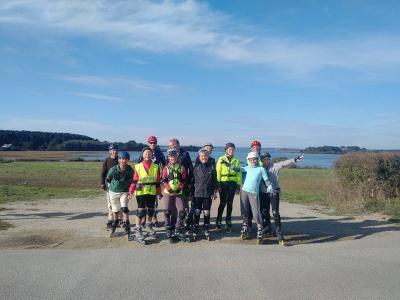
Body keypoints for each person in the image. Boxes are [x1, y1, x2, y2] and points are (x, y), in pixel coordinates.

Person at [260, 152, 304, 244]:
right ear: (261, 160)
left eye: (268, 159)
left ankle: (278, 232)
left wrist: (295, 160)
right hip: (263, 193)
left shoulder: (274, 166)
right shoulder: (259, 168)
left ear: (270, 159)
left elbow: (284, 163)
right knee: (264, 212)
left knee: (275, 212)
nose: (266, 160)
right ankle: (267, 230)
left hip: (274, 192)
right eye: (264, 159)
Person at [231, 152, 272, 242]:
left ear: (257, 160)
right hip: (244, 191)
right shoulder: (247, 168)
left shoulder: (261, 169)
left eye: (254, 159)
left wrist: (269, 186)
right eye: (251, 160)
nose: (253, 161)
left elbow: (266, 179)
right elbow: (239, 169)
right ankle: (245, 225)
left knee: (256, 212)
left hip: (254, 193)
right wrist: (232, 167)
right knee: (244, 209)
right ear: (248, 161)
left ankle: (259, 228)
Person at [129, 147, 162, 241]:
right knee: (141, 211)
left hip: (152, 191)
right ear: (142, 155)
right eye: (145, 154)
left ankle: (148, 225)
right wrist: (131, 191)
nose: (147, 155)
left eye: (149, 153)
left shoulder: (156, 166)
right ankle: (138, 229)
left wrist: (159, 193)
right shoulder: (138, 166)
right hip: (141, 192)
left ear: (152, 155)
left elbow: (158, 181)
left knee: (151, 210)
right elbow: (134, 180)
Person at [137, 136, 166, 227]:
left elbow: (164, 165)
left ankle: (154, 218)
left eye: (154, 143)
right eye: (151, 143)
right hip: (144, 181)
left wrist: (163, 176)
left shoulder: (159, 153)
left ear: (156, 143)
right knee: (143, 203)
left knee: (154, 202)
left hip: (154, 180)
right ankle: (143, 220)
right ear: (148, 143)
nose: (152, 144)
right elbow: (138, 165)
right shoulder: (144, 152)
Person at [161, 148, 188, 242]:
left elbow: (184, 179)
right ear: (168, 157)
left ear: (177, 157)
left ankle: (177, 228)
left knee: (182, 211)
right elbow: (163, 180)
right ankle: (168, 228)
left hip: (178, 192)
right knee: (167, 211)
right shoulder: (166, 168)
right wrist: (168, 188)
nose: (172, 158)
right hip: (168, 193)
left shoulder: (182, 167)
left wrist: (180, 188)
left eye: (174, 156)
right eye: (171, 156)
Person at [168, 138, 193, 232]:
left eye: (173, 146)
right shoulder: (169, 153)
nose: (171, 147)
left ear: (178, 145)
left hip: (183, 183)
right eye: (169, 146)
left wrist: (190, 181)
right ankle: (175, 222)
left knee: (184, 204)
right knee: (173, 205)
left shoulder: (185, 154)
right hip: (172, 184)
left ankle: (186, 221)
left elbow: (190, 167)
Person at [191, 148, 218, 240]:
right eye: (202, 156)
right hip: (197, 193)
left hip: (208, 194)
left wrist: (214, 192)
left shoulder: (212, 168)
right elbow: (193, 181)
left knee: (206, 212)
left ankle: (206, 228)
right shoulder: (196, 168)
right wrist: (192, 193)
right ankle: (195, 228)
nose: (203, 157)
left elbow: (215, 181)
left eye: (205, 156)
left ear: (208, 156)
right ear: (199, 157)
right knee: (197, 211)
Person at [106, 151, 134, 236]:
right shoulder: (113, 169)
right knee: (115, 209)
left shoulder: (129, 169)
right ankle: (115, 221)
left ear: (128, 160)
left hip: (124, 191)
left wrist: (130, 191)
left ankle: (127, 222)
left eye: (125, 159)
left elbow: (133, 180)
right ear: (118, 159)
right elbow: (108, 179)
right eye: (121, 158)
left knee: (124, 207)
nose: (123, 160)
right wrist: (110, 187)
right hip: (113, 191)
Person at [215, 142, 242, 231]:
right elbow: (218, 171)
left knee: (230, 202)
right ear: (226, 150)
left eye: (233, 149)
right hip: (223, 182)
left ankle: (228, 220)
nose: (232, 151)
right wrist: (218, 183)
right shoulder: (221, 159)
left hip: (233, 183)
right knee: (223, 202)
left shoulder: (236, 160)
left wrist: (238, 184)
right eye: (230, 149)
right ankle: (218, 220)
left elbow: (239, 173)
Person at [100, 143, 119, 229]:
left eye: (115, 150)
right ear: (109, 151)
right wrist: (102, 183)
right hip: (110, 184)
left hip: (119, 184)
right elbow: (103, 173)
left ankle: (119, 219)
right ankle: (110, 219)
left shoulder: (120, 159)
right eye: (112, 150)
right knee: (110, 203)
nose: (114, 151)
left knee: (120, 203)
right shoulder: (107, 160)